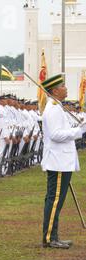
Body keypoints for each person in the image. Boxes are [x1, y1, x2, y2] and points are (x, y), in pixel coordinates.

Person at [40, 74, 86, 249]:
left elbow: (63, 130)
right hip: (58, 160)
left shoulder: (58, 107)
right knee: (54, 200)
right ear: (54, 91)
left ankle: (53, 235)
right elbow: (56, 135)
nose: (66, 88)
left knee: (56, 200)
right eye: (63, 86)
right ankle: (50, 238)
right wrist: (78, 132)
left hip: (62, 160)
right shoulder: (52, 109)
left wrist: (80, 126)